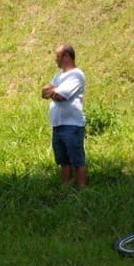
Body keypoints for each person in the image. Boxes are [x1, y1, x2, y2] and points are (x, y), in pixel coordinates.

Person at [41, 44, 87, 189]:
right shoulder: (58, 76)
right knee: (63, 160)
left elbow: (60, 96)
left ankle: (81, 187)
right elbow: (44, 91)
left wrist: (54, 91)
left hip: (72, 124)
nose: (56, 60)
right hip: (58, 124)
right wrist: (53, 91)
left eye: (58, 56)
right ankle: (66, 186)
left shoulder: (77, 74)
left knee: (77, 159)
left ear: (66, 56)